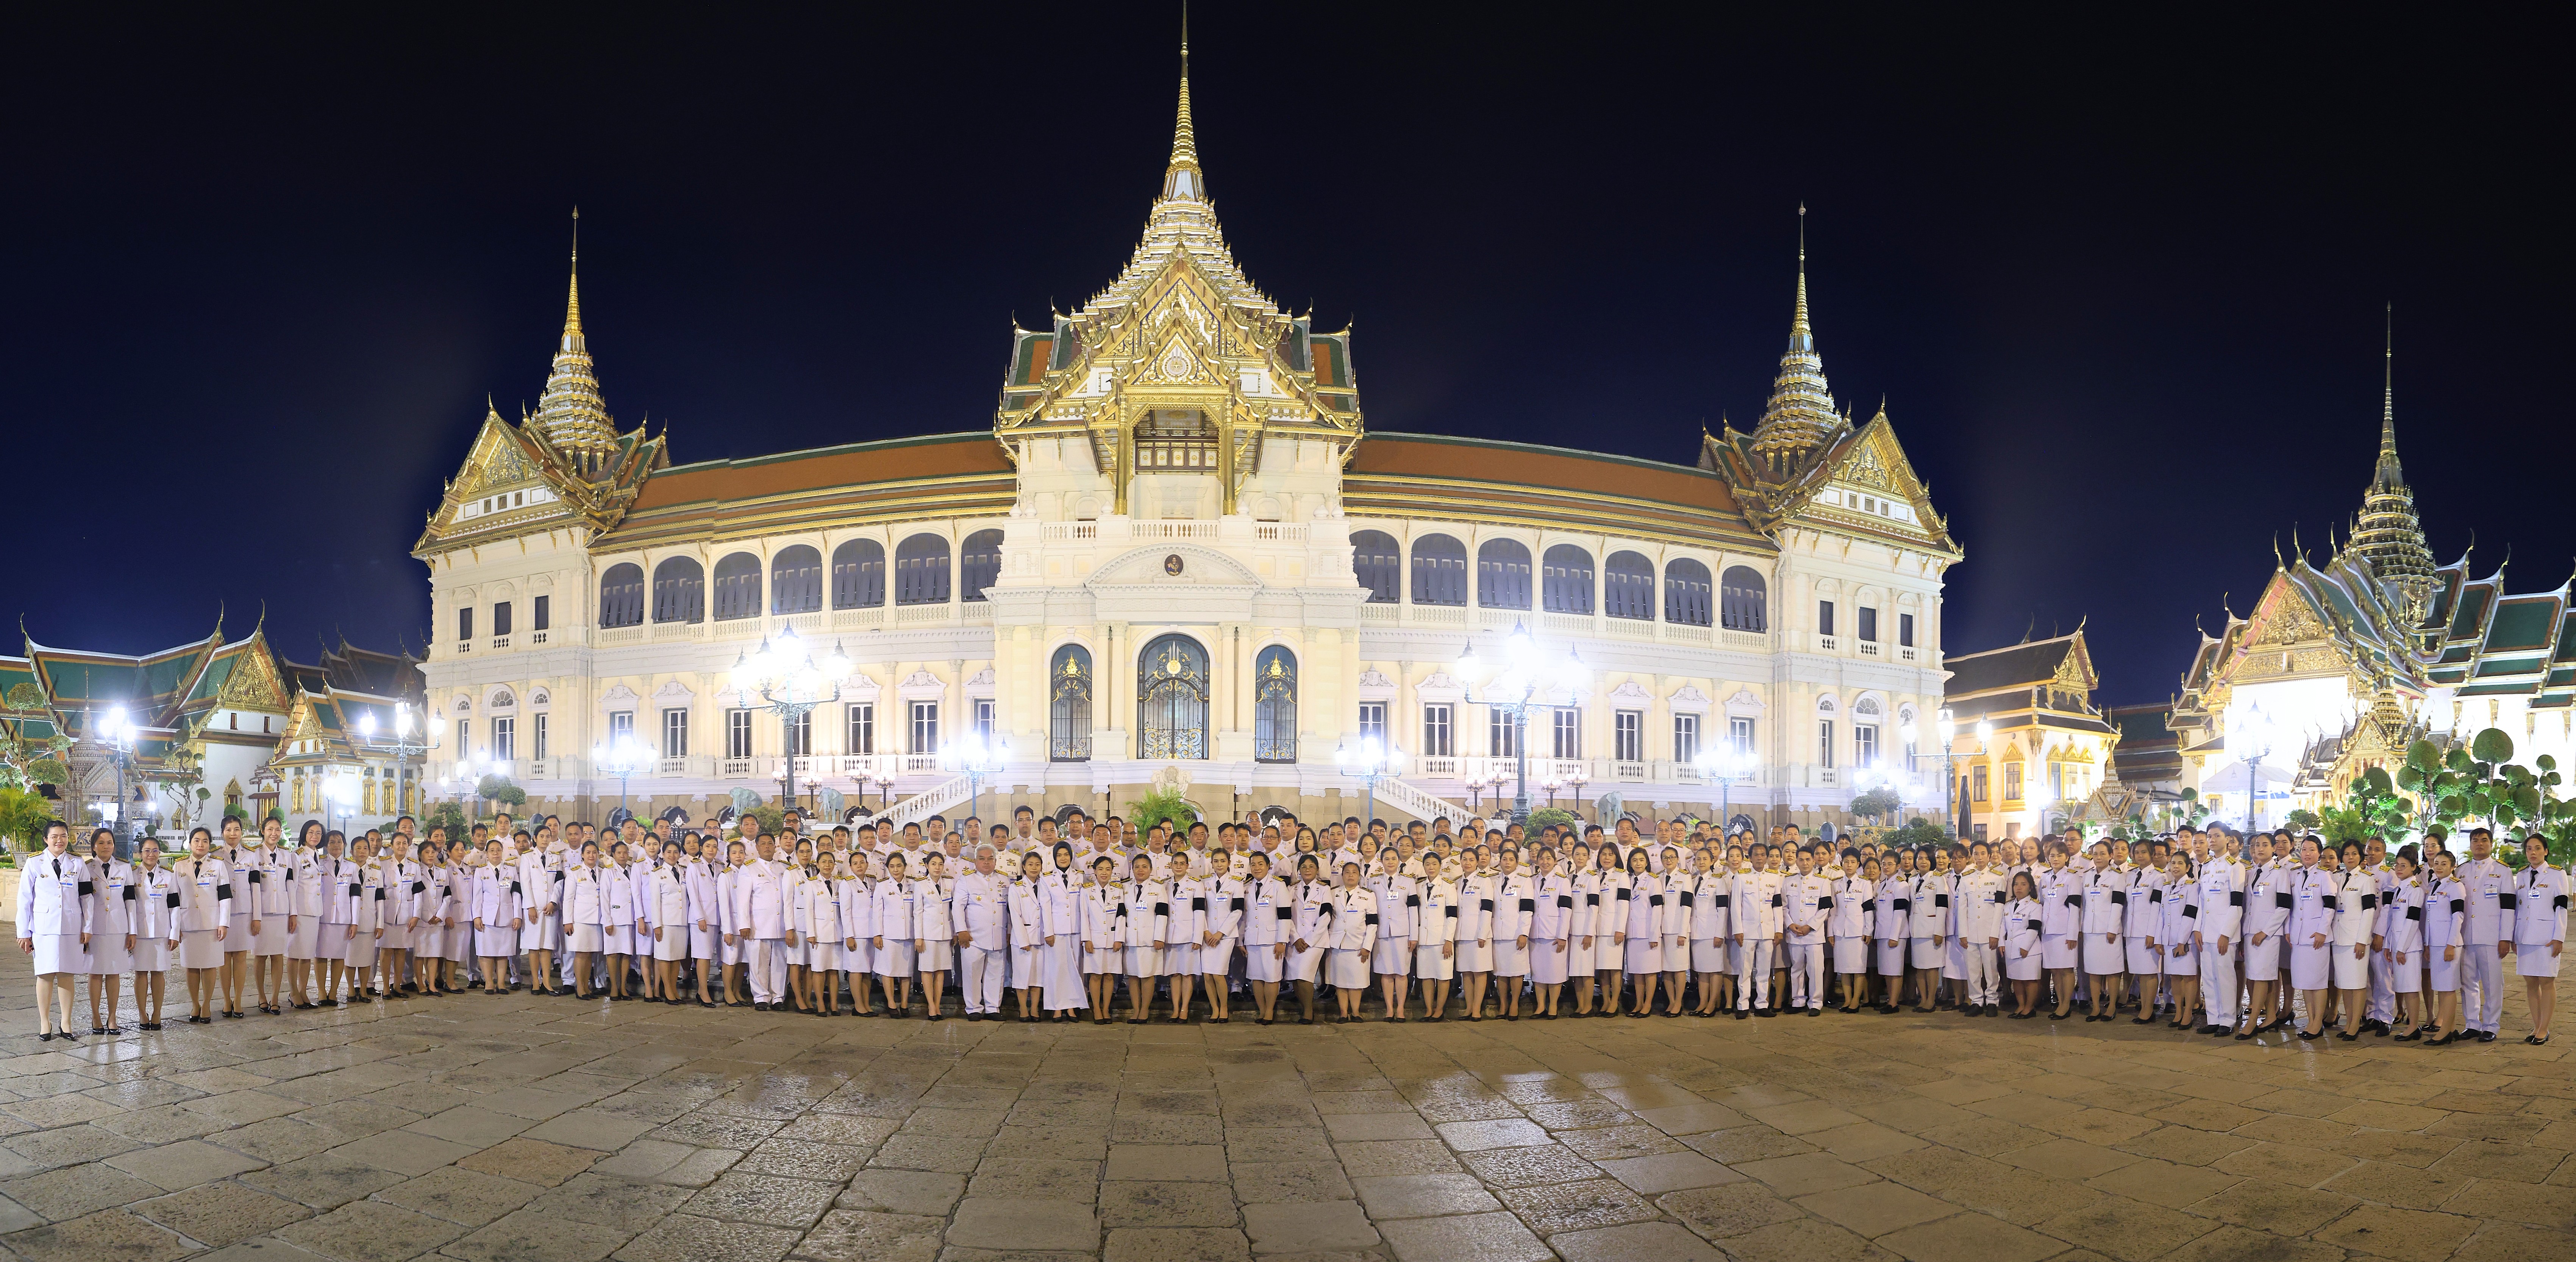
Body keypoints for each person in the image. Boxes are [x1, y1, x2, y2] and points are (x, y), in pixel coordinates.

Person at [20, 821, 95, 1039]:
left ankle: (66, 1022)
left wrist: (88, 927)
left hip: (71, 926)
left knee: (67, 974)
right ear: (46, 839)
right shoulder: (34, 863)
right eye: (54, 837)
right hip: (43, 928)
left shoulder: (78, 863)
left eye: (63, 836)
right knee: (44, 974)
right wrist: (23, 932)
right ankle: (45, 1023)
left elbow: (87, 898)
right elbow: (25, 900)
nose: (59, 841)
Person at [2511, 837, 2567, 1045]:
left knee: (2547, 981)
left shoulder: (2557, 874)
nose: (2533, 853)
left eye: (2537, 849)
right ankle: (2536, 1026)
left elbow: (2561, 907)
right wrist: (2514, 937)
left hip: (2546, 937)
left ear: (2546, 851)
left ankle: (2544, 1029)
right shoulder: (2523, 874)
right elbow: (2519, 908)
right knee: (2531, 983)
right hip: (2525, 936)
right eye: (2529, 849)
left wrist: (2558, 937)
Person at [2458, 828, 2511, 1043]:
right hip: (2465, 936)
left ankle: (2491, 1025)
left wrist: (2505, 937)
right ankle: (2472, 1024)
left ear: (2491, 844)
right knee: (2467, 983)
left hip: (2491, 937)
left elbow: (2508, 907)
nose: (2479, 844)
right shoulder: (2461, 871)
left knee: (2492, 984)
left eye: (2484, 840)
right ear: (2471, 844)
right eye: (2475, 840)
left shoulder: (2502, 871)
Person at [177, 827, 233, 1024]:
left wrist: (224, 923)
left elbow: (225, 896)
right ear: (190, 843)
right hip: (187, 923)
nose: (201, 845)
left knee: (209, 967)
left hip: (212, 923)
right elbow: (175, 900)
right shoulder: (179, 867)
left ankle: (207, 1004)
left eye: (205, 841)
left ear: (210, 844)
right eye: (197, 841)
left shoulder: (218, 866)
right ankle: (195, 1004)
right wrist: (176, 927)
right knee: (191, 967)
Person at [82, 828, 133, 1035]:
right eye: (101, 843)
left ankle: (112, 1018)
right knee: (95, 974)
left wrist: (133, 931)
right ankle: (96, 1017)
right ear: (94, 846)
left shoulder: (125, 867)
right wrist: (84, 928)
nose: (106, 847)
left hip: (117, 928)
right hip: (94, 928)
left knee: (114, 974)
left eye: (109, 843)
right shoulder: (86, 868)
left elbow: (130, 900)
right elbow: (83, 901)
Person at [2422, 847, 2467, 1044]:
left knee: (2448, 989)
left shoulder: (2456, 887)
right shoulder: (2433, 885)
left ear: (2453, 866)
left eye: (2444, 864)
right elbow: (2430, 919)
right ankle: (2450, 1028)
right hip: (2435, 944)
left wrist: (2451, 945)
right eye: (2437, 863)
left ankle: (2446, 1031)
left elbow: (2458, 916)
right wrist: (2428, 945)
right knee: (2441, 987)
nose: (2439, 867)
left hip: (2449, 944)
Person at [1326, 861, 1377, 1022]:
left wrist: (1367, 946)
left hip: (1358, 944)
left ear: (1359, 876)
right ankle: (1343, 1012)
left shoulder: (1368, 895)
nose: (1350, 875)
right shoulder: (1333, 893)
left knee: (1357, 980)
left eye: (1354, 872)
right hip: (1338, 943)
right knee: (1340, 980)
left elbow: (1373, 923)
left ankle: (1356, 1012)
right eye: (1347, 872)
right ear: (1342, 876)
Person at [2383, 848, 2426, 1040]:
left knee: (2411, 987)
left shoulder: (2416, 890)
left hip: (2409, 947)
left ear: (2414, 867)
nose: (2399, 869)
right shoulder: (2398, 889)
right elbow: (2393, 920)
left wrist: (2401, 948)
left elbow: (2412, 921)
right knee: (2403, 986)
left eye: (2404, 866)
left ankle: (2414, 1026)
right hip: (2397, 946)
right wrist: (2388, 945)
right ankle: (2412, 1026)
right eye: (2397, 865)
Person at [1119, 852, 1165, 1023]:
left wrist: (1159, 937)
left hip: (1150, 939)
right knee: (1132, 976)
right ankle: (1136, 1009)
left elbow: (1162, 915)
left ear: (1151, 870)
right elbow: (1121, 914)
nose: (1140, 870)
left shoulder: (1159, 888)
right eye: (1137, 866)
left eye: (1145, 867)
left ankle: (1145, 1010)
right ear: (1132, 869)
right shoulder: (1124, 888)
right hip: (1130, 938)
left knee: (1147, 975)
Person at [473, 837, 524, 995]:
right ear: (487, 854)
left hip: (507, 917)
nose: (496, 853)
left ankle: (501, 983)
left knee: (504, 952)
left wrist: (518, 916)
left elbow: (516, 894)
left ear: (502, 852)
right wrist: (477, 916)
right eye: (492, 851)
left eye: (498, 850)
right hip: (487, 918)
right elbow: (477, 896)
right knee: (486, 951)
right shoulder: (481, 871)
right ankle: (489, 982)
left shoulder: (510, 869)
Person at [873, 852, 921, 1016]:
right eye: (892, 866)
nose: (895, 870)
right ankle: (892, 1003)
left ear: (905, 867)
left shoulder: (914, 884)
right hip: (889, 934)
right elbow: (877, 911)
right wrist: (877, 934)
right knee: (889, 970)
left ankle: (905, 1003)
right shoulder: (882, 885)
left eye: (899, 866)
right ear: (887, 868)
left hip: (909, 933)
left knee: (906, 972)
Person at [1828, 851, 1874, 1014]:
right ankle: (1848, 1000)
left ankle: (1856, 1000)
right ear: (1842, 864)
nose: (1849, 865)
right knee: (1844, 968)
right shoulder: (1835, 884)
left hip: (1858, 930)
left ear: (1858, 865)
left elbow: (1869, 909)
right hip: (1841, 930)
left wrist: (1869, 930)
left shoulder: (1865, 884)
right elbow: (1833, 910)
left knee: (1858, 968)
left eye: (1853, 862)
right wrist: (1830, 933)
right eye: (1846, 862)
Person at [1287, 854, 1331, 1024]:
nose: (1307, 870)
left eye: (1311, 867)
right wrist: (1296, 938)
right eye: (1304, 867)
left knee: (1304, 975)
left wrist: (1310, 940)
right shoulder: (1292, 889)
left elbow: (1326, 916)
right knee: (1295, 977)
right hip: (1295, 940)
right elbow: (1286, 917)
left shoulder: (1324, 889)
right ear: (1299, 870)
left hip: (1315, 941)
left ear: (1317, 870)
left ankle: (1308, 1011)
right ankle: (1303, 1007)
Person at [1080, 854, 1123, 1023]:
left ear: (1113, 872)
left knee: (1109, 976)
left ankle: (1106, 1009)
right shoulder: (1087, 891)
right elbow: (1084, 917)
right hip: (1095, 939)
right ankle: (1097, 1009)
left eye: (1108, 869)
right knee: (1096, 976)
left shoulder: (1118, 891)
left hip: (1113, 940)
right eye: (1101, 869)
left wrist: (1119, 938)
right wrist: (1087, 939)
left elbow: (1121, 916)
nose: (1104, 873)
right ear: (1094, 872)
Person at [1008, 850, 1048, 1022]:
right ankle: (1023, 1009)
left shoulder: (1046, 885)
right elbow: (1015, 916)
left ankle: (1035, 1008)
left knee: (1038, 977)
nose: (1034, 868)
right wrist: (1023, 940)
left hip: (1041, 938)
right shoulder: (1016, 888)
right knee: (1022, 976)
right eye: (1030, 864)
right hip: (1022, 939)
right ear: (1023, 867)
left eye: (1037, 865)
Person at [2003, 870, 2045, 1017]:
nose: (2019, 887)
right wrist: (2003, 943)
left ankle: (2030, 1007)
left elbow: (2034, 928)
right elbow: (2003, 926)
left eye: (2023, 884)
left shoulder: (2035, 906)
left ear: (2030, 888)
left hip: (2029, 949)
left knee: (2029, 980)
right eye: (2016, 884)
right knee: (2017, 979)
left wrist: (2026, 947)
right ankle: (2021, 1006)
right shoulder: (2008, 906)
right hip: (2011, 947)